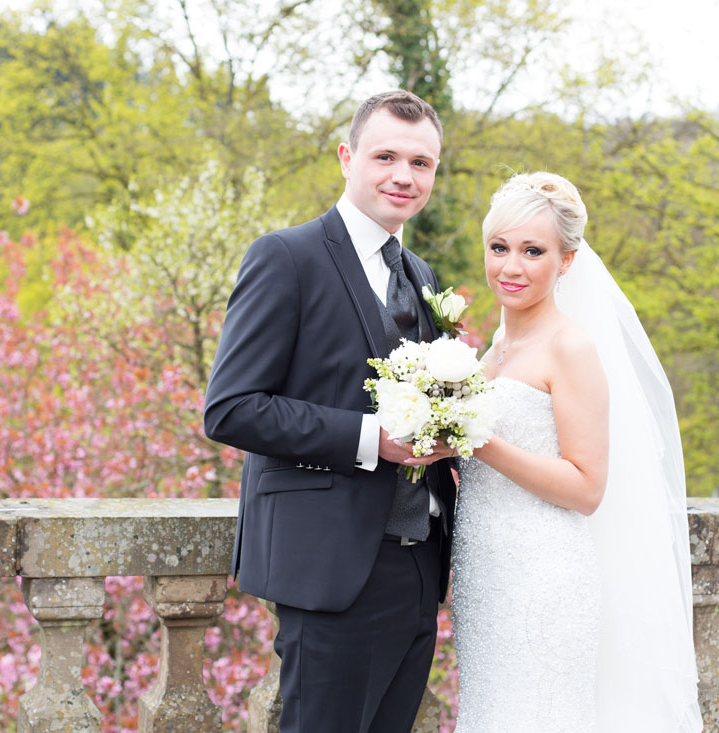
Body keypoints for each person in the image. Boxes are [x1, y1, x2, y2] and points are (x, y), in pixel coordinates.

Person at [204, 90, 457, 732]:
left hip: (419, 562)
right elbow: (231, 409)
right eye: (386, 156)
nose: (404, 175)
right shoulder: (286, 257)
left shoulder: (422, 275)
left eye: (421, 163)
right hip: (332, 567)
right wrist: (372, 437)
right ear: (347, 157)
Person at [451, 171, 703, 730]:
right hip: (483, 576)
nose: (510, 267)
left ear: (565, 261)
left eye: (532, 251)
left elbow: (587, 487)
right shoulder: (493, 349)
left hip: (544, 578)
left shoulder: (571, 348)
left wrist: (478, 440)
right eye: (499, 248)